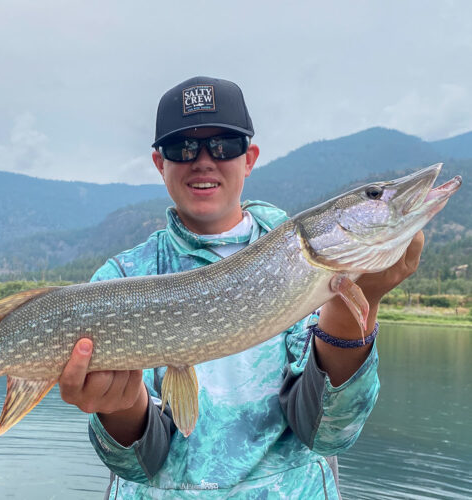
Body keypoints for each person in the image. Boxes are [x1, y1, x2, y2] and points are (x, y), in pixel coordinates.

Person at [59, 76, 424, 498]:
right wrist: (120, 406)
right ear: (160, 163)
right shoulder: (121, 280)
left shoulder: (299, 259)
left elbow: (328, 432)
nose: (203, 161)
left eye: (223, 146)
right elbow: (138, 463)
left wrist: (358, 306)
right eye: (183, 148)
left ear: (249, 158)